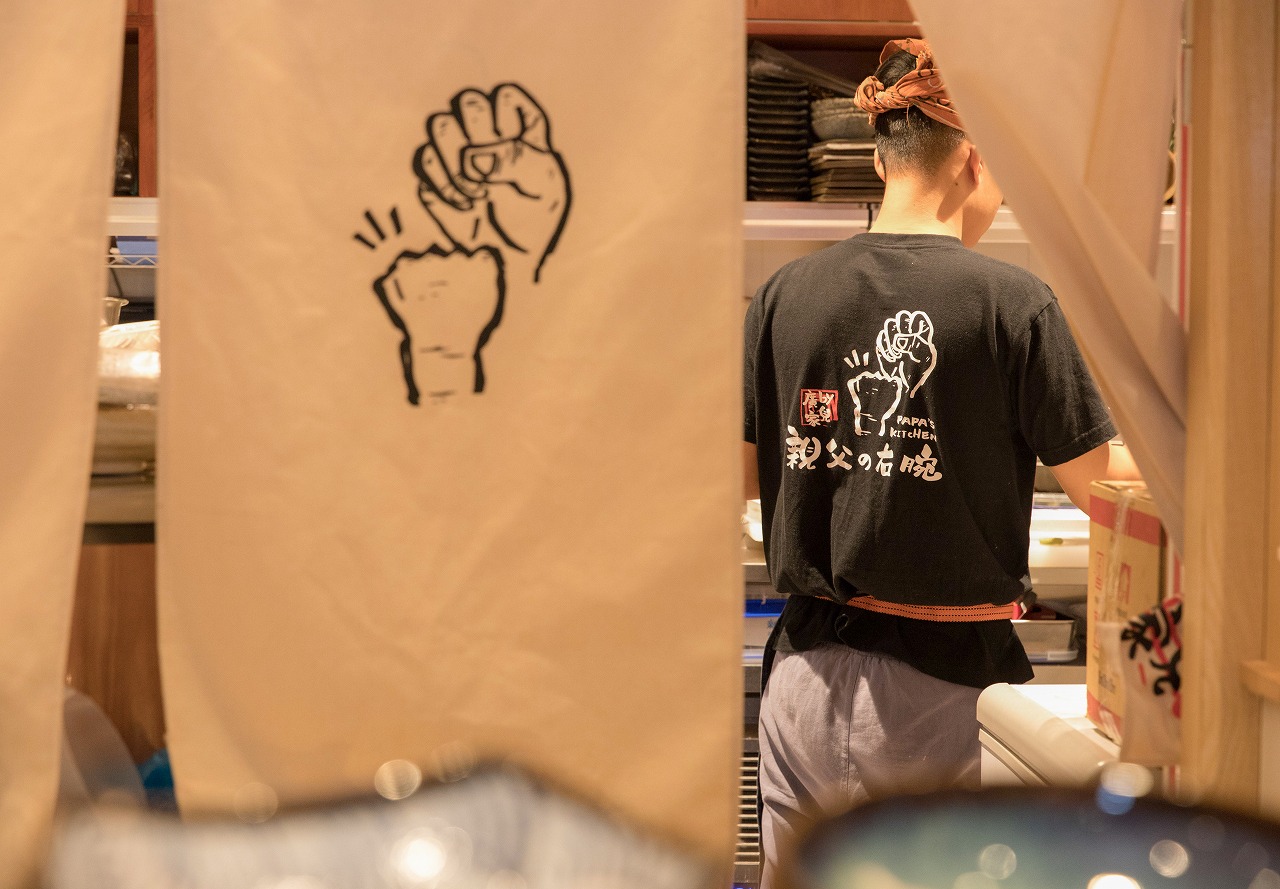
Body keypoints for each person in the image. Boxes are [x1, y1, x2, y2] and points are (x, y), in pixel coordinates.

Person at [742, 38, 1141, 887]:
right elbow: (1101, 487)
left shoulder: (782, 295)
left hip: (801, 678)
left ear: (880, 160)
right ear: (974, 158)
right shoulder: (1013, 304)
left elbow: (740, 478)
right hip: (935, 691)